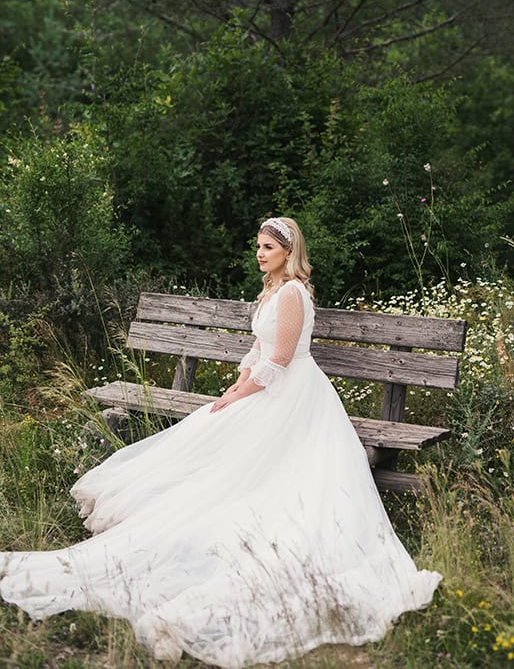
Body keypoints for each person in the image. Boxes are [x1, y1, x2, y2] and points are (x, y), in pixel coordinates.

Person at [0, 217, 441, 667]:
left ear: (289, 252)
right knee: (207, 432)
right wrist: (236, 386)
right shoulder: (270, 291)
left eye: (269, 247)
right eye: (258, 246)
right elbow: (257, 352)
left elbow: (283, 360)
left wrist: (240, 393)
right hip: (267, 388)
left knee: (244, 453)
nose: (260, 253)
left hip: (294, 395)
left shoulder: (292, 294)